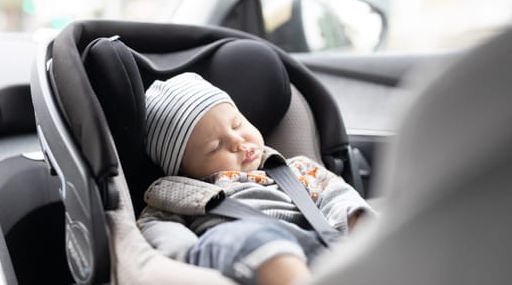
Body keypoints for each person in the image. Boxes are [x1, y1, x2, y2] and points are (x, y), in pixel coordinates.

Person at [137, 72, 374, 285]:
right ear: (183, 171)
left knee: (362, 227)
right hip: (237, 244)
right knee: (257, 240)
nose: (237, 141)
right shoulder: (175, 197)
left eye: (237, 124)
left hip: (316, 241)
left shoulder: (297, 169)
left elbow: (333, 193)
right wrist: (186, 259)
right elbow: (160, 230)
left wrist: (354, 217)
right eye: (215, 146)